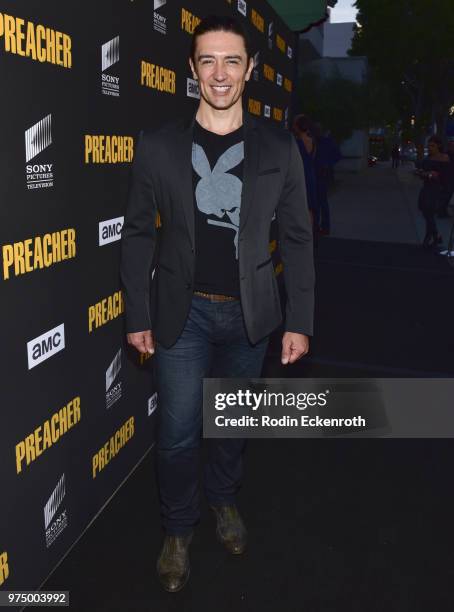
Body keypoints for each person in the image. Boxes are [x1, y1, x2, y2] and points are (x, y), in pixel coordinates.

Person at [120, 15, 315, 593]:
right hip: (184, 315)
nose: (221, 73)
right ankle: (178, 530)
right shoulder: (159, 147)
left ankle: (224, 501)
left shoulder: (279, 147)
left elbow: (298, 239)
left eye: (233, 60)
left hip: (253, 317)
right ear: (192, 69)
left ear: (252, 68)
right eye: (208, 60)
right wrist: (137, 316)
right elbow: (137, 235)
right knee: (179, 433)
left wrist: (299, 319)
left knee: (231, 427)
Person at [415, 135, 450, 248]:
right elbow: (422, 173)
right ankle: (435, 235)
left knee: (429, 212)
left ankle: (429, 236)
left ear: (438, 146)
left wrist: (430, 175)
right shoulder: (427, 159)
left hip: (438, 189)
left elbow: (444, 176)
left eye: (432, 145)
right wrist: (425, 174)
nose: (430, 148)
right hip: (426, 188)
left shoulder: (444, 158)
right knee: (426, 212)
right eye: (429, 146)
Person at [292, 115, 318, 241]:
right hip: (310, 175)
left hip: (300, 175)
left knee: (301, 204)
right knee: (310, 207)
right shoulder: (311, 140)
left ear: (298, 126)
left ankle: (301, 234)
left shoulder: (296, 142)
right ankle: (309, 235)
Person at [313, 124, 341, 235]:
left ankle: (324, 227)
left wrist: (328, 164)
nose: (317, 133)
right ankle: (316, 226)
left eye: (318, 130)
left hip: (323, 176)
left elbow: (338, 155)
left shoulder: (327, 142)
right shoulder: (314, 141)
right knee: (316, 202)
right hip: (314, 174)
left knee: (322, 202)